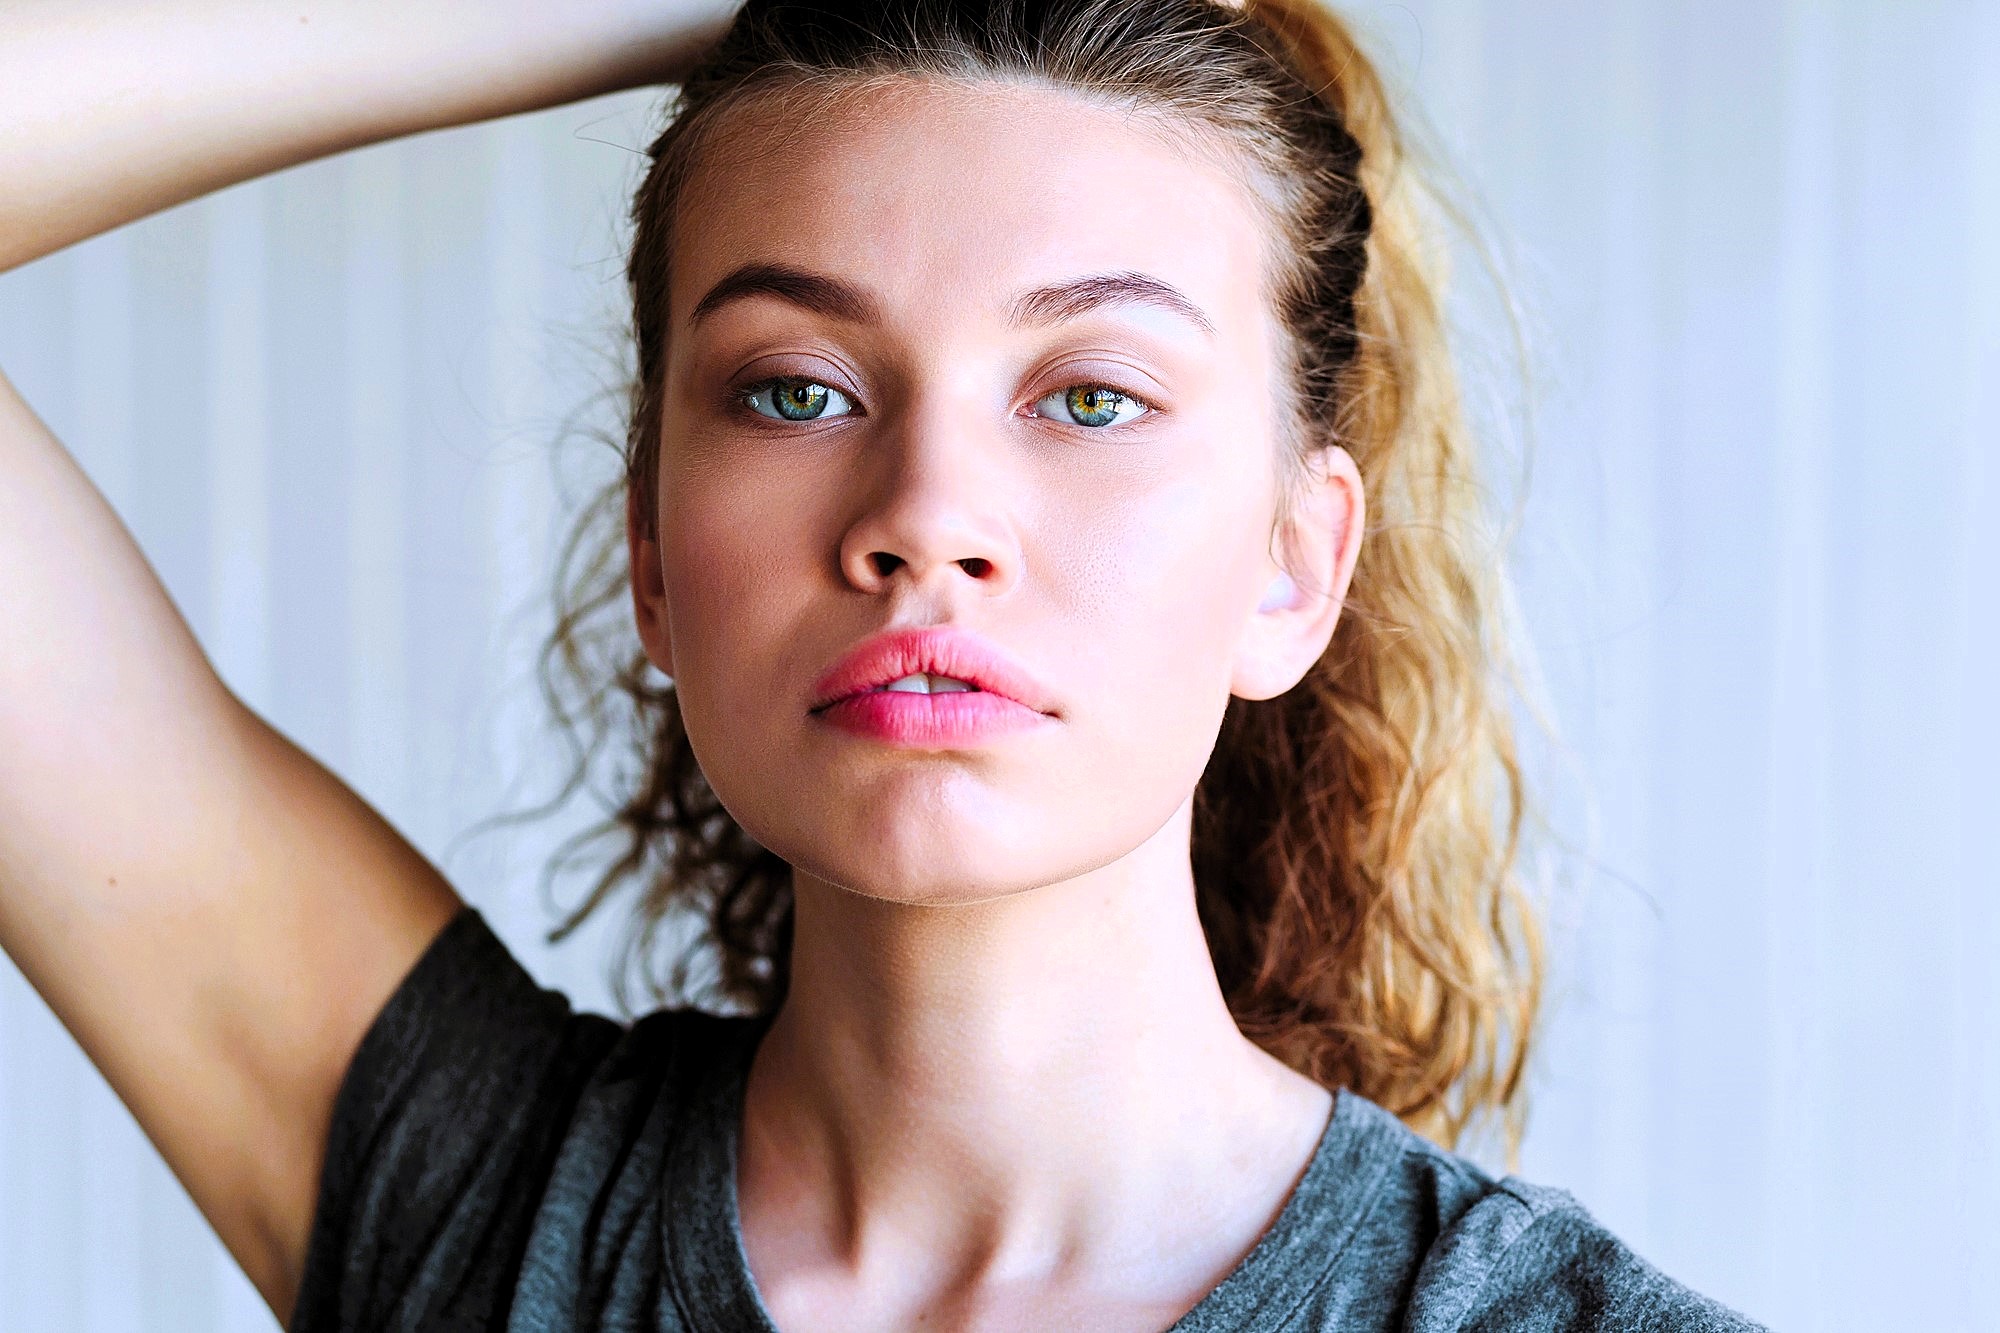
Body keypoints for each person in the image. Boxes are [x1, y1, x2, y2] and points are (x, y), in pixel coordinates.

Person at [0, 0, 1764, 1328]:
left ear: (1297, 566)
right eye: (798, 389)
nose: (926, 517)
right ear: (653, 559)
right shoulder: (478, 1205)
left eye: (1090, 396)